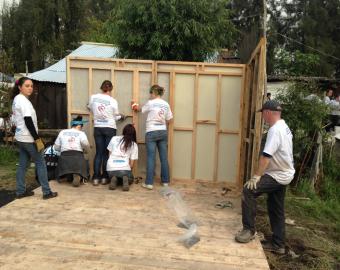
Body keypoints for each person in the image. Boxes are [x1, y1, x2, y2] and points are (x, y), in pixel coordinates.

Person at [235, 100, 295, 255]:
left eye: (263, 113)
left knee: (249, 190)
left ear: (268, 112)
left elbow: (266, 156)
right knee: (276, 208)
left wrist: (256, 177)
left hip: (278, 174)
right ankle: (278, 245)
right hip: (285, 172)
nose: (262, 116)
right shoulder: (284, 126)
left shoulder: (275, 130)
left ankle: (249, 230)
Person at [11, 77, 58, 199]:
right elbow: (28, 121)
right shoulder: (24, 101)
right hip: (28, 138)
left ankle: (20, 191)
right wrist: (37, 139)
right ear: (20, 87)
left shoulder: (17, 99)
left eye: (31, 86)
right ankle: (46, 192)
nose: (30, 88)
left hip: (20, 137)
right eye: (27, 86)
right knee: (41, 163)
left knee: (22, 164)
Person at [131, 84, 173, 190]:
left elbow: (138, 109)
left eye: (150, 93)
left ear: (154, 93)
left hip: (151, 132)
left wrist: (134, 105)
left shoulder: (151, 103)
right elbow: (169, 119)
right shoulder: (166, 104)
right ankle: (165, 182)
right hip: (163, 131)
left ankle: (149, 183)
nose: (150, 95)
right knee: (163, 157)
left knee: (151, 157)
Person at [88, 80, 125, 186]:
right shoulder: (113, 101)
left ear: (101, 88)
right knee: (106, 153)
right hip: (109, 128)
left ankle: (95, 178)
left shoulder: (93, 97)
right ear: (111, 89)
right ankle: (104, 177)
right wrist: (121, 116)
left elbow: (90, 107)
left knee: (99, 152)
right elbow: (115, 116)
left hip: (98, 127)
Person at [54, 116, 90, 187]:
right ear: (79, 126)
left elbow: (56, 147)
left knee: (66, 161)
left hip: (64, 157)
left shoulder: (62, 132)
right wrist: (86, 151)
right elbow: (85, 144)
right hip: (77, 157)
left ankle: (66, 176)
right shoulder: (81, 133)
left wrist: (62, 150)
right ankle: (78, 175)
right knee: (84, 160)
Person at [106, 124, 138, 191]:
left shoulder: (114, 138)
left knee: (115, 175)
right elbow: (131, 165)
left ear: (124, 131)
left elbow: (109, 155)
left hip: (111, 168)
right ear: (133, 134)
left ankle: (114, 178)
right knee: (130, 179)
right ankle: (125, 178)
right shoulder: (134, 145)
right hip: (124, 169)